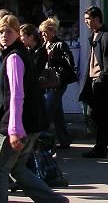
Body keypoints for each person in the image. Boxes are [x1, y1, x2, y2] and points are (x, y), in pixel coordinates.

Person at [0, 15, 67, 203]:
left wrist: (14, 129)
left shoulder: (14, 57)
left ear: (17, 33)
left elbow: (16, 94)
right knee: (16, 167)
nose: (4, 35)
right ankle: (53, 200)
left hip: (15, 124)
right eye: (1, 32)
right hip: (27, 122)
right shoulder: (18, 53)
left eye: (9, 31)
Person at [78, 6, 108, 158]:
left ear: (96, 19)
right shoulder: (95, 36)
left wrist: (101, 79)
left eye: (88, 20)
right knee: (94, 114)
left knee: (101, 116)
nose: (86, 23)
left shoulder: (106, 37)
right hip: (93, 82)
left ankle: (102, 147)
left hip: (101, 84)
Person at [39, 18, 75, 149]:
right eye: (41, 32)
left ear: (53, 32)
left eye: (45, 32)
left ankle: (41, 137)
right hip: (49, 82)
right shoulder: (44, 45)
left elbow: (69, 63)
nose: (43, 35)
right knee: (57, 111)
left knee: (48, 109)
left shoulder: (60, 45)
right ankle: (64, 139)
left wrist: (54, 56)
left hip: (58, 82)